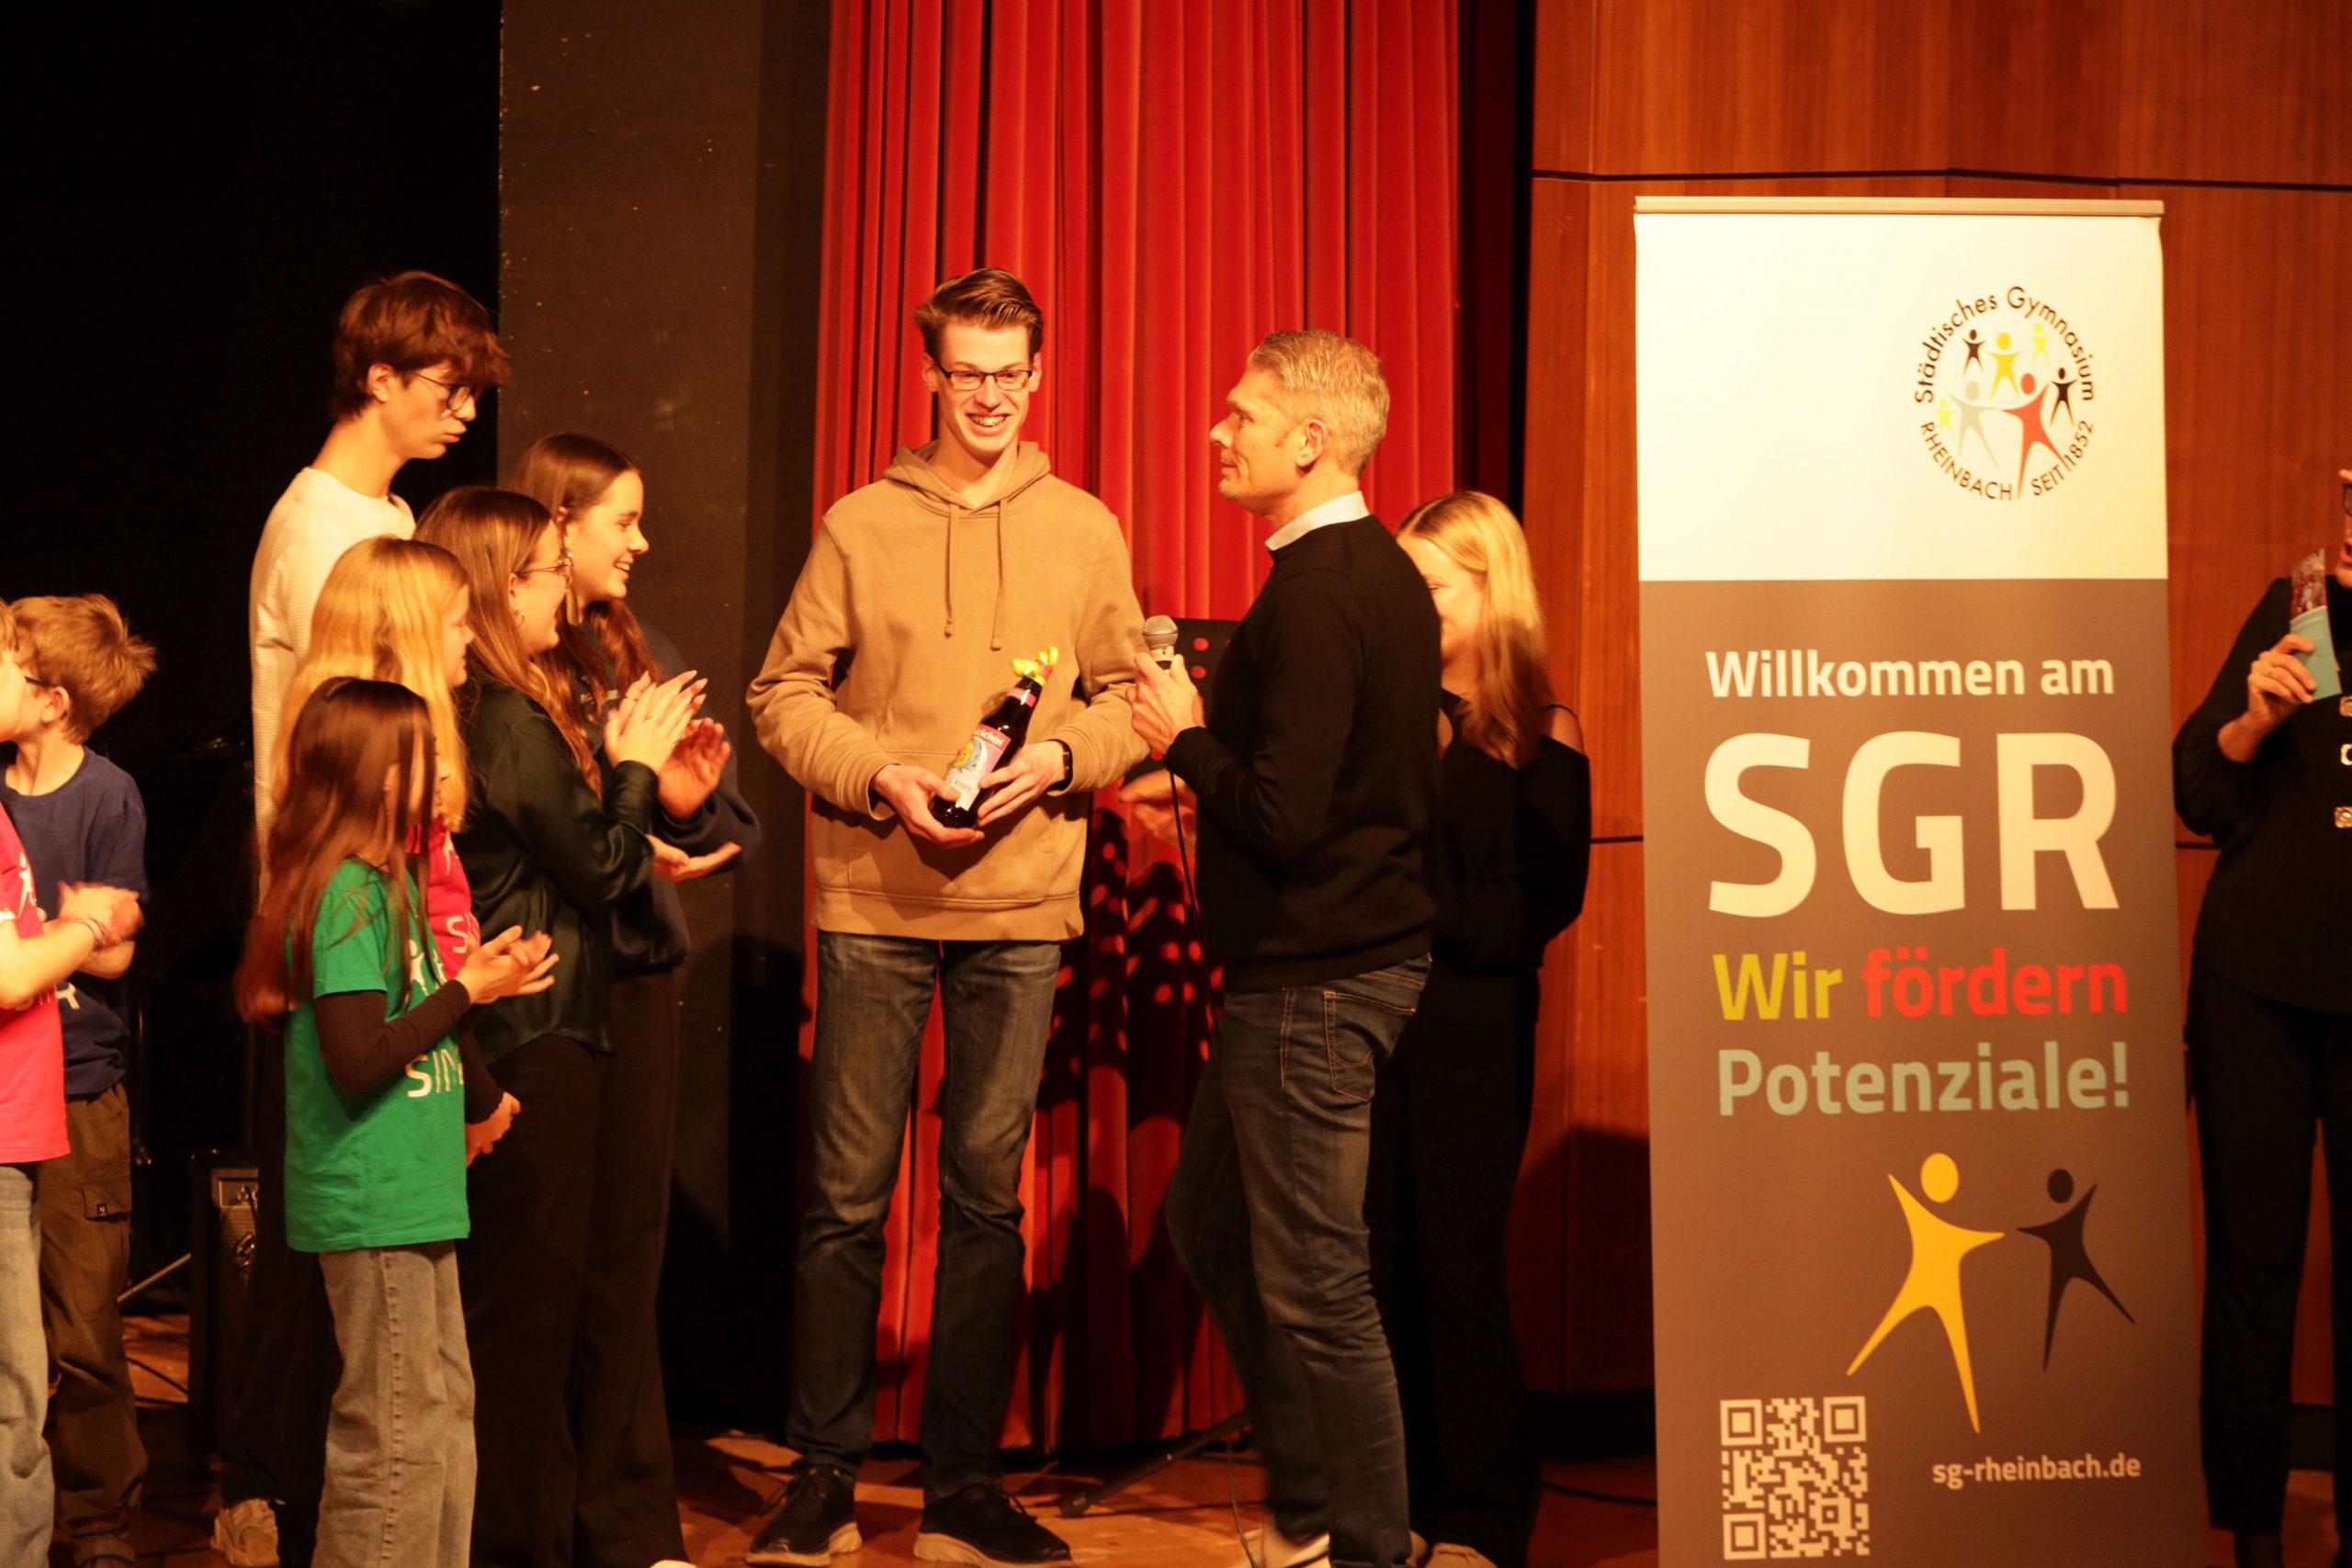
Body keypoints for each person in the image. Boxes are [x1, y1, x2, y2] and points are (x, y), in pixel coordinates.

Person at [745, 266, 1144, 1567]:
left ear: (1039, 374)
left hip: (1021, 903)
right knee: (846, 1199)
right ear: (929, 374)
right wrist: (881, 777)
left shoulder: (1083, 527)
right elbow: (782, 693)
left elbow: (1132, 697)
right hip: (876, 894)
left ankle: (964, 1483)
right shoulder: (861, 523)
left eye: (1009, 373)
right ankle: (824, 1475)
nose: (988, 396)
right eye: (966, 373)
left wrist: (1063, 760)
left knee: (985, 1199)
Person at [1129, 329, 1441, 1568]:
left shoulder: (1320, 592)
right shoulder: (1366, 570)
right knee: (1211, 1228)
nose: (1219, 431)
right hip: (1311, 969)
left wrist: (1183, 736)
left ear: (1310, 441)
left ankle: (1367, 1545)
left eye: (1242, 414)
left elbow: (1283, 813)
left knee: (1320, 1285)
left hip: (1316, 978)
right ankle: (1313, 1505)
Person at [227, 267, 507, 1568]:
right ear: (379, 376)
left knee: (431, 1396)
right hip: (348, 931)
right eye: (447, 384)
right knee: (384, 1402)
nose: (464, 409)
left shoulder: (388, 515)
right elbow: (331, 734)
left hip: (400, 963)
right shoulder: (321, 530)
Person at [417, 485, 700, 1568]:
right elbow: (602, 865)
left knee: (536, 1310)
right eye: (543, 574)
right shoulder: (503, 714)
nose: (558, 595)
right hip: (532, 1028)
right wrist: (633, 768)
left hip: (534, 1021)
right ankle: (505, 1543)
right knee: (523, 1320)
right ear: (504, 588)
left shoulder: (495, 710)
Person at [233, 677, 554, 1568]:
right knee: (395, 1430)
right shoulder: (346, 893)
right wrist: (467, 990)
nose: (444, 773)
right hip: (371, 1194)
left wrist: (479, 985)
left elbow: (417, 1021)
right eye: (425, 756)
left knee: (443, 1410)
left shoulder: (393, 884)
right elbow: (358, 1056)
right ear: (380, 775)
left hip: (415, 1188)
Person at [510, 431, 760, 1565]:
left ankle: (626, 1521)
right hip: (547, 983)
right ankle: (535, 1519)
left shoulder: (638, 649)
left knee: (624, 1257)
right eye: (623, 520)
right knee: (543, 1262)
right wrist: (626, 796)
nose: (643, 542)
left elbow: (704, 814)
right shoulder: (510, 661)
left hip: (639, 975)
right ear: (558, 525)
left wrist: (685, 803)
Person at [1368, 492, 1589, 1568]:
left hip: (1472, 1022)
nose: (1413, 607)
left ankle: (1483, 1516)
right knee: (1380, 1264)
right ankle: (1400, 1500)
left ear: (1490, 591)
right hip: (1374, 1016)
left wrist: (1415, 911)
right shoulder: (1386, 714)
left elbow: (1541, 907)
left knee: (1457, 1268)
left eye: (1432, 587)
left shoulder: (1544, 731)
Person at [2173, 467, 2351, 1568]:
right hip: (2255, 990)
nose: (2349, 526)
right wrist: (2250, 724)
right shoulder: (2301, 608)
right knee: (2254, 1265)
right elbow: (2196, 788)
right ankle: (2250, 1531)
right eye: (2351, 500)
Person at [0, 595, 158, 1567]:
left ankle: (96, 1513)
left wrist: (66, 936)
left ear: (52, 700)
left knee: (82, 1318)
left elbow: (120, 941)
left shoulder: (107, 795)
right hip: (9, 1087)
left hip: (78, 1083)